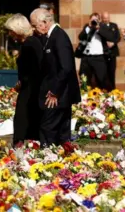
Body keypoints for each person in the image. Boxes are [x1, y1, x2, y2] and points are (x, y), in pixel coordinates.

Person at [30, 8, 81, 149]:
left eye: (35, 25)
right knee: (60, 135)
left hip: (57, 96)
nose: (34, 29)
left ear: (45, 22)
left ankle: (47, 159)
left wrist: (54, 91)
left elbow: (66, 67)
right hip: (57, 94)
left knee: (48, 130)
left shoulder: (59, 37)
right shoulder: (50, 37)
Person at [5, 14, 43, 146]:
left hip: (31, 89)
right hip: (29, 86)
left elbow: (36, 68)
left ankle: (20, 147)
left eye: (11, 31)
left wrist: (23, 81)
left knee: (22, 117)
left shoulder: (30, 43)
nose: (10, 34)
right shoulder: (29, 42)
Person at [77, 13, 114, 90]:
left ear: (99, 20)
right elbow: (80, 37)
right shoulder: (87, 27)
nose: (94, 21)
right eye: (92, 19)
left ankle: (106, 97)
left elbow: (110, 37)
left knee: (102, 79)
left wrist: (98, 29)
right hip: (86, 57)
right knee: (84, 79)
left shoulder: (102, 26)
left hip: (98, 57)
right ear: (89, 20)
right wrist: (89, 28)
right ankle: (85, 97)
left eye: (96, 20)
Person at [102, 12, 120, 90]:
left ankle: (113, 89)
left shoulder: (114, 25)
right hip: (103, 53)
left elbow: (118, 37)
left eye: (107, 18)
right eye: (104, 18)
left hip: (113, 52)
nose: (106, 19)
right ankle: (105, 89)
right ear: (102, 18)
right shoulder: (100, 26)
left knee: (112, 71)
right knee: (104, 72)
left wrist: (113, 43)